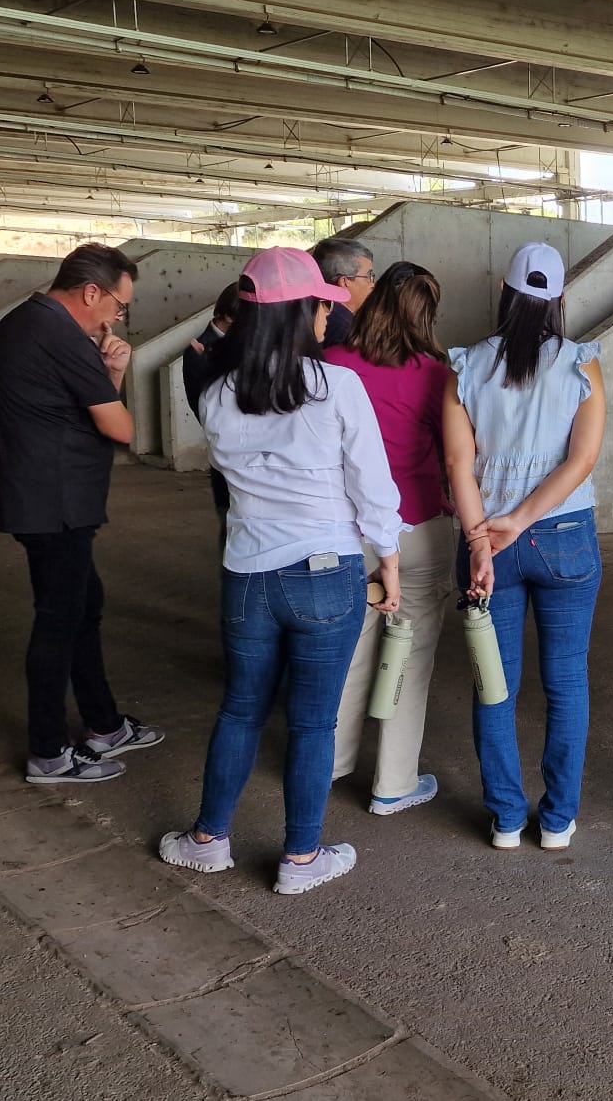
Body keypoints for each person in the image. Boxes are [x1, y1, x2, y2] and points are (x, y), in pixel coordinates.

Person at [158, 248, 403, 894]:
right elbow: (372, 487)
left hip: (247, 575)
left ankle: (207, 840)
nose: (328, 314)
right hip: (326, 571)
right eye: (322, 304)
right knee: (313, 721)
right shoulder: (338, 387)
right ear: (302, 311)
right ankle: (301, 859)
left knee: (240, 710)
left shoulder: (217, 393)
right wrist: (389, 561)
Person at [0, 242, 164, 784]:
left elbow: (80, 408)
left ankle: (104, 724)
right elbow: (121, 427)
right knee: (60, 619)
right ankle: (49, 752)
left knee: (84, 603)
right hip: (55, 500)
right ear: (91, 292)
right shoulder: (60, 335)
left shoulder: (27, 322)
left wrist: (108, 370)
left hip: (44, 496)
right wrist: (113, 373)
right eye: (118, 305)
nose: (116, 317)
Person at [445, 243, 606, 851]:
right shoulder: (581, 364)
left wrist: (483, 538)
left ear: (505, 293)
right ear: (561, 299)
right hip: (565, 537)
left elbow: (459, 465)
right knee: (567, 683)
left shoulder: (465, 367)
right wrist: (525, 518)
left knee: (495, 683)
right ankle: (558, 820)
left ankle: (508, 819)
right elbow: (582, 460)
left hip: (491, 543)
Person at [323, 261, 457, 815]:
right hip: (419, 527)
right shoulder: (436, 375)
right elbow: (454, 457)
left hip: (346, 530)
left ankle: (328, 764)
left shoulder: (331, 364)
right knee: (410, 656)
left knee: (347, 652)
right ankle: (393, 783)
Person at [185, 280, 245, 530]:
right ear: (230, 316)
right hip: (228, 454)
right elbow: (205, 411)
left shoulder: (232, 346)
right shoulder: (200, 352)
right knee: (230, 524)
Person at [312, 238, 376, 346]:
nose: (372, 284)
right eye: (369, 276)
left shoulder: (315, 312)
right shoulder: (345, 331)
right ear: (345, 282)